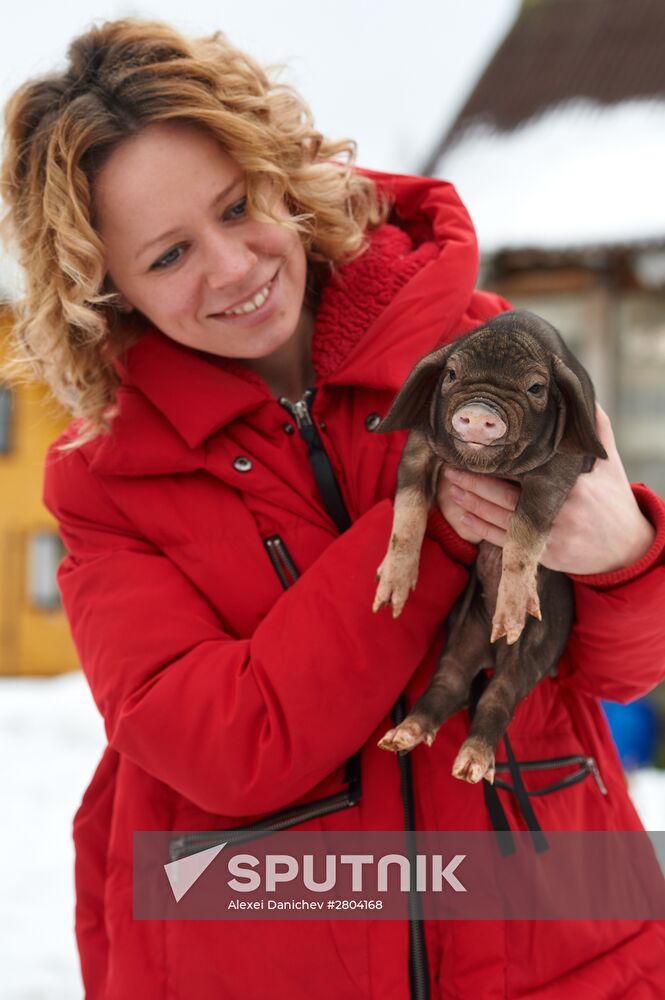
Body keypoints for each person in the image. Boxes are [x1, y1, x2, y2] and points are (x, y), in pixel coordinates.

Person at [2, 17, 664, 1000]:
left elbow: (613, 672)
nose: (232, 268)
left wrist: (624, 557)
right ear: (111, 289)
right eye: (170, 254)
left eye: (236, 207)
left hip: (562, 945)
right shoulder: (104, 480)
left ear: (280, 171)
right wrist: (430, 521)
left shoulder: (481, 347)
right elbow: (225, 742)